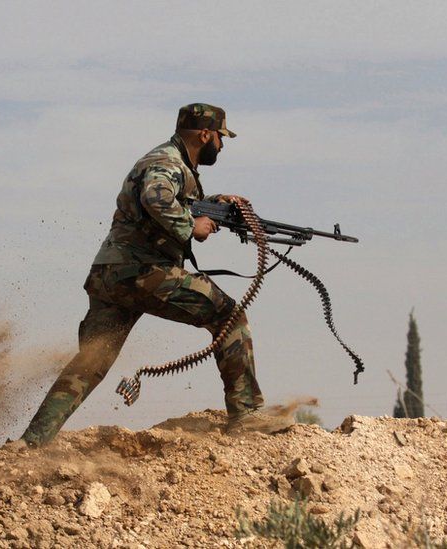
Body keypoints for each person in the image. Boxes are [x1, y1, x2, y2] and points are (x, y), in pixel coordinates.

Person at [20, 104, 291, 447]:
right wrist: (191, 225)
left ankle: (33, 441)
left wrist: (214, 203)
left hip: (111, 275)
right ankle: (245, 413)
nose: (221, 146)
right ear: (205, 135)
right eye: (221, 138)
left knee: (92, 361)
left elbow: (168, 197)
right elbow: (155, 197)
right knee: (228, 315)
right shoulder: (167, 162)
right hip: (144, 272)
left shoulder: (172, 163)